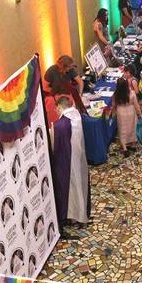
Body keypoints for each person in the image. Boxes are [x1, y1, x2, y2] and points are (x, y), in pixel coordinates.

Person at [50, 96, 90, 233]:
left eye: (56, 109)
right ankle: (80, 215)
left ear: (59, 107)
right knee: (80, 187)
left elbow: (54, 147)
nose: (55, 111)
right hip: (79, 158)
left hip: (66, 162)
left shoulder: (60, 125)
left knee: (71, 190)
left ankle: (74, 217)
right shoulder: (76, 115)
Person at [112, 77, 141, 157]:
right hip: (131, 111)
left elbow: (114, 105)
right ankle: (133, 145)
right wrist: (139, 114)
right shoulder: (132, 93)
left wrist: (112, 114)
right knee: (132, 128)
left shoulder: (116, 94)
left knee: (122, 130)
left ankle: (124, 148)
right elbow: (136, 105)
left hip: (121, 113)